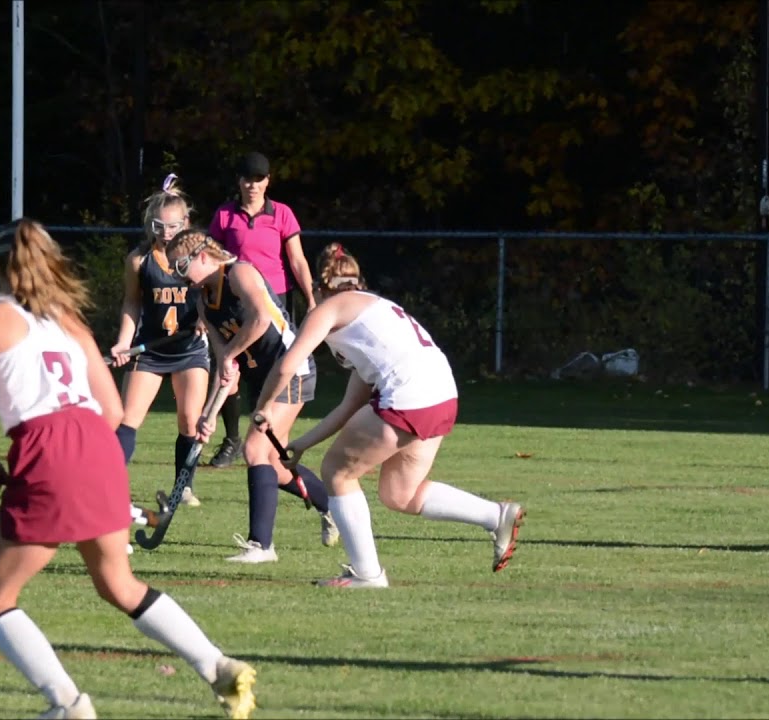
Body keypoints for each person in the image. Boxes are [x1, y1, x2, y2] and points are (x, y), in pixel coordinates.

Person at [0, 218, 257, 719]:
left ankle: (68, 705)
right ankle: (219, 667)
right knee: (119, 583)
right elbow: (114, 413)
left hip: (46, 447)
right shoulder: (68, 321)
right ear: (49, 262)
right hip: (98, 443)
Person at [254, 244, 526, 588]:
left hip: (410, 396)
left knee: (337, 472)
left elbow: (288, 366)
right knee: (400, 493)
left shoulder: (327, 309)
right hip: (442, 394)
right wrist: (304, 444)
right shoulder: (374, 312)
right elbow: (349, 405)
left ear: (319, 289)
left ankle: (367, 574)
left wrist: (263, 405)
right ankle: (495, 515)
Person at [165, 229, 337, 563]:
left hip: (290, 367)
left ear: (203, 256)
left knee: (255, 449)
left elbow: (259, 319)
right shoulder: (203, 302)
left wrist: (230, 352)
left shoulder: (239, 273)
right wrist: (209, 414)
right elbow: (226, 368)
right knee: (272, 464)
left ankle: (261, 545)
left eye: (181, 266)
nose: (177, 275)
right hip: (262, 379)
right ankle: (333, 504)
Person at [204, 151, 316, 469]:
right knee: (230, 368)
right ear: (239, 181)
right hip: (236, 305)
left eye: (258, 178)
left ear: (267, 181)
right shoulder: (225, 216)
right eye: (247, 178)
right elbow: (210, 259)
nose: (252, 185)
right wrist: (207, 310)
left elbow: (296, 259)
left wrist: (310, 298)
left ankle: (267, 440)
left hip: (273, 302)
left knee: (270, 372)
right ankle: (231, 440)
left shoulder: (281, 214)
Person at [107, 174, 210, 507]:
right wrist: (124, 342)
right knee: (127, 418)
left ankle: (184, 487)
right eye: (160, 226)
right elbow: (132, 302)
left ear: (187, 223)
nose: (167, 234)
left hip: (190, 349)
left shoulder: (202, 256)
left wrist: (207, 322)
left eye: (174, 227)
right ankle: (106, 483)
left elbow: (217, 295)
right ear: (151, 224)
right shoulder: (139, 260)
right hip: (150, 349)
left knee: (189, 419)